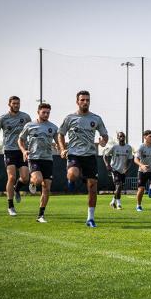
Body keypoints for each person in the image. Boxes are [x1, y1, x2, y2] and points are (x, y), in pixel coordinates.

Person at [57, 90, 108, 228]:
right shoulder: (69, 118)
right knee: (73, 174)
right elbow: (60, 134)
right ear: (77, 101)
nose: (85, 102)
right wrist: (62, 149)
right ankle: (71, 179)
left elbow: (104, 134)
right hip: (74, 154)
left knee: (92, 186)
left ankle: (90, 218)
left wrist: (103, 141)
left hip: (90, 156)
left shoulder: (96, 118)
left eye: (87, 100)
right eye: (82, 100)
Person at [0, 96, 32, 216]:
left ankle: (17, 189)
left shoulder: (25, 117)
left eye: (18, 103)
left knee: (25, 178)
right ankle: (10, 206)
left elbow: (32, 131)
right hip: (9, 151)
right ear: (9, 104)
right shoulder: (2, 118)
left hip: (22, 150)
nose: (16, 105)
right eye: (14, 103)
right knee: (11, 177)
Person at [18, 103, 59, 223]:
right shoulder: (29, 125)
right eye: (44, 112)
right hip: (34, 158)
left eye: (48, 112)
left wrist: (59, 146)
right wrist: (24, 150)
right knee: (39, 180)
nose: (46, 114)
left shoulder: (53, 127)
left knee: (46, 188)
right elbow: (20, 139)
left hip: (48, 159)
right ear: (38, 112)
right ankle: (32, 181)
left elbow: (58, 140)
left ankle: (41, 215)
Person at [103, 132, 133, 210]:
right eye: (120, 136)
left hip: (123, 170)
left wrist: (127, 168)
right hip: (115, 169)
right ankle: (119, 204)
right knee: (118, 185)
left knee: (119, 188)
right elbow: (105, 156)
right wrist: (107, 165)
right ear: (118, 138)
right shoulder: (114, 147)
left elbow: (130, 159)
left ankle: (112, 202)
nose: (122, 137)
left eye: (123, 136)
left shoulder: (128, 148)